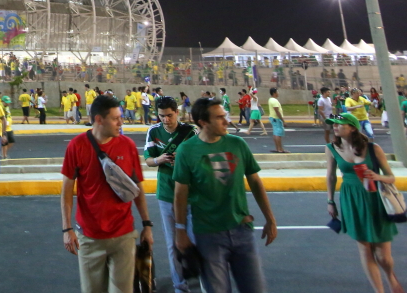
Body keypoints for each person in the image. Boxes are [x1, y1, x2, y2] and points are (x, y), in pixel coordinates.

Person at [173, 97, 277, 293]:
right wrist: (180, 231)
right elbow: (180, 194)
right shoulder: (186, 151)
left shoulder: (237, 144)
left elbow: (255, 182)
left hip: (242, 230)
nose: (226, 121)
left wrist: (270, 219)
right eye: (219, 117)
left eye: (225, 115)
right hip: (208, 234)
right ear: (203, 122)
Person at [60, 94, 154, 293]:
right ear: (99, 120)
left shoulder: (127, 146)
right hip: (89, 238)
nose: (121, 122)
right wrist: (67, 229)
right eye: (115, 118)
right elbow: (67, 190)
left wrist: (147, 224)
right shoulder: (77, 146)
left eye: (121, 117)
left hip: (123, 236)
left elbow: (137, 188)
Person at [325, 112, 403, 293]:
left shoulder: (373, 148)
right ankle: (379, 290)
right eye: (333, 124)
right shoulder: (331, 148)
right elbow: (330, 176)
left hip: (376, 200)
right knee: (365, 249)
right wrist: (330, 201)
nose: (334, 127)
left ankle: (390, 276)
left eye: (339, 124)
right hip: (351, 200)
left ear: (352, 128)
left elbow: (391, 177)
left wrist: (378, 177)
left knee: (383, 255)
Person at [144, 96, 197, 293]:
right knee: (172, 242)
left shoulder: (190, 132)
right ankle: (179, 285)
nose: (165, 120)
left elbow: (199, 160)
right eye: (161, 116)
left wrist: (182, 162)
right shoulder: (153, 131)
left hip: (190, 194)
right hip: (166, 193)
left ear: (177, 112)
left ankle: (198, 278)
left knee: (194, 239)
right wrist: (160, 160)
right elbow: (148, 160)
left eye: (169, 115)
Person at [267, 87, 288, 153]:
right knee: (278, 134)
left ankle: (277, 148)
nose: (278, 93)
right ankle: (280, 149)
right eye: (277, 92)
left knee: (275, 133)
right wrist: (283, 120)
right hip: (276, 118)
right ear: (274, 93)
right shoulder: (274, 101)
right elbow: (277, 111)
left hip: (273, 118)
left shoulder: (271, 99)